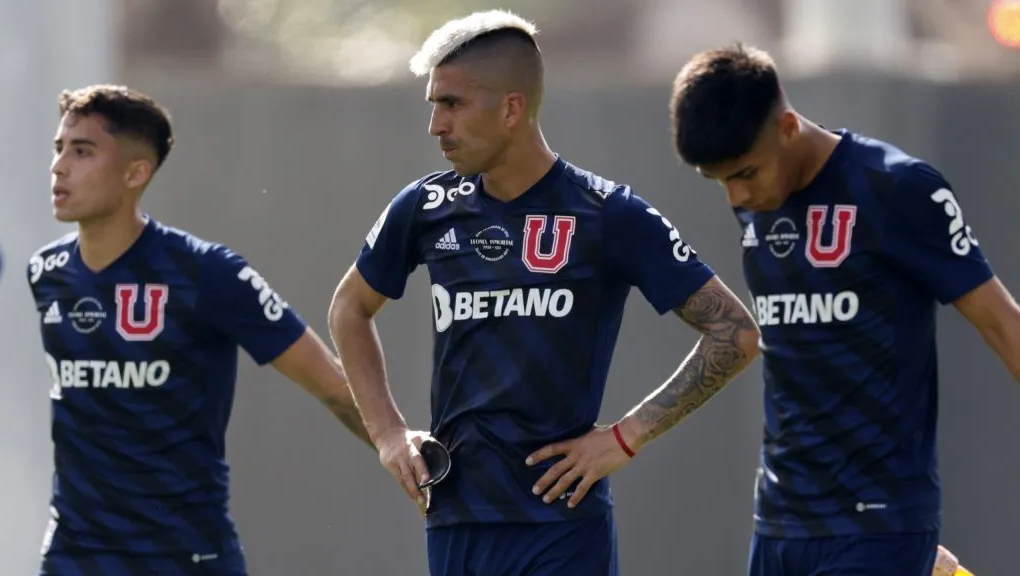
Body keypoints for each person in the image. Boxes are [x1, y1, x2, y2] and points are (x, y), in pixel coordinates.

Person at [327, 10, 761, 576]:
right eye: (433, 104)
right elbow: (349, 309)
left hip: (561, 528)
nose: (436, 124)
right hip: (456, 520)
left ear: (512, 108)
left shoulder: (609, 213)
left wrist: (625, 438)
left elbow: (735, 333)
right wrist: (386, 435)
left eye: (452, 103)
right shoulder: (425, 207)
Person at [668, 44, 1019, 575]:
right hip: (780, 523)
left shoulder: (899, 189)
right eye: (719, 181)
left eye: (745, 174)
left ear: (787, 127)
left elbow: (1001, 321)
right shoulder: (758, 205)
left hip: (877, 520)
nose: (736, 198)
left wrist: (900, 542)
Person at [28, 84, 371, 576]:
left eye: (82, 152)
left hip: (184, 557)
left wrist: (412, 460)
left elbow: (335, 388)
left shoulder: (207, 273)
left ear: (135, 172)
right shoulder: (46, 272)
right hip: (75, 556)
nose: (59, 166)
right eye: (59, 148)